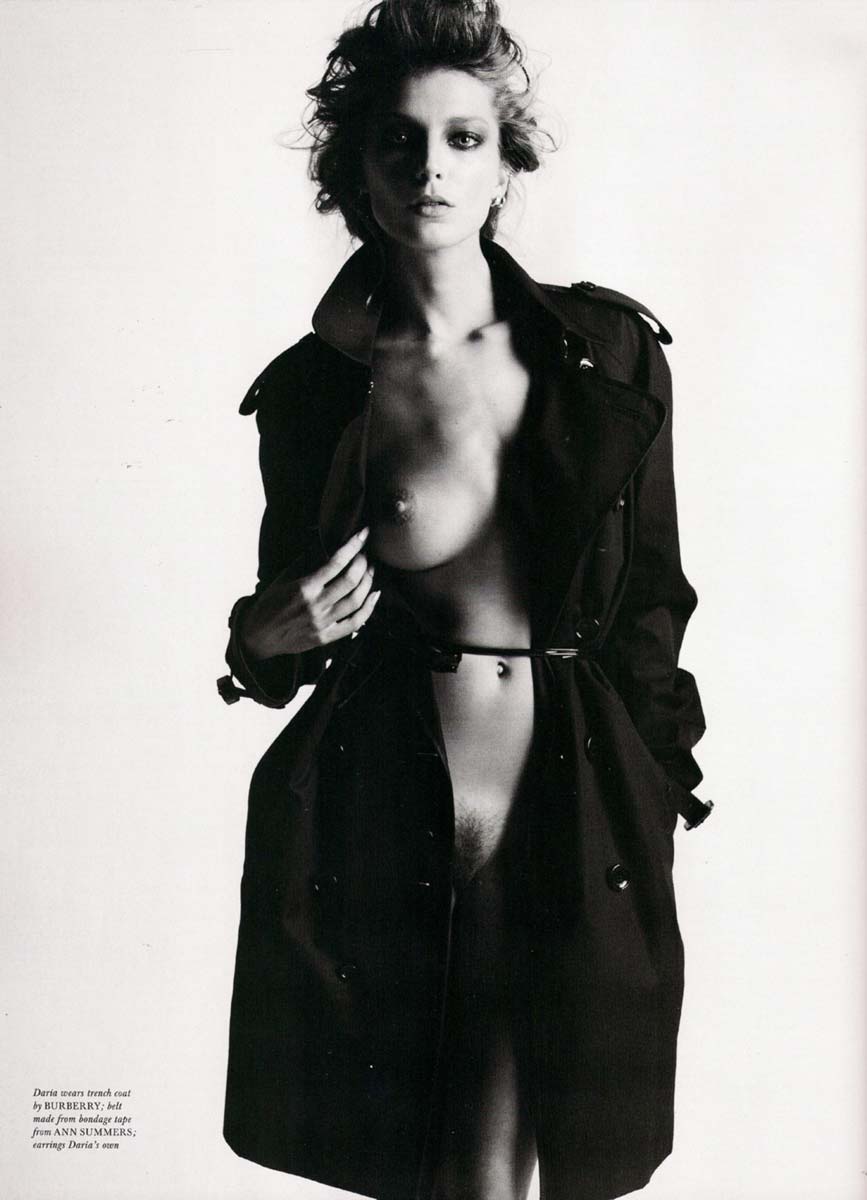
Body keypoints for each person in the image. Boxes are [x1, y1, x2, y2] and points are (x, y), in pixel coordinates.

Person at [217, 2, 711, 1198]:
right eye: (398, 140)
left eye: (463, 138)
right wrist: (257, 636)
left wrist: (655, 790)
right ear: (357, 171)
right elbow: (289, 629)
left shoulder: (606, 354)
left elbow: (651, 602)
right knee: (427, 1172)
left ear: (504, 165)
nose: (430, 167)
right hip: (386, 806)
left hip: (568, 807)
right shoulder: (317, 389)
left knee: (503, 1170)